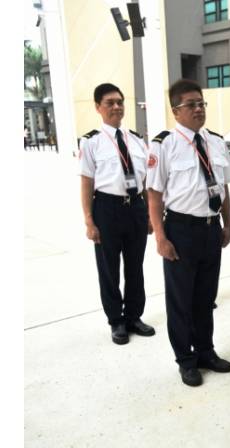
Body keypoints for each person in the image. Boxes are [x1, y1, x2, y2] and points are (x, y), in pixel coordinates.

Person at [146, 79, 230, 386]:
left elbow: (223, 187)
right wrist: (160, 237)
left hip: (211, 229)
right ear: (176, 111)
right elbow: (154, 195)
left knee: (206, 297)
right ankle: (186, 359)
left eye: (201, 103)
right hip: (181, 230)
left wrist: (227, 223)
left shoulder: (216, 142)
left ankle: (206, 351)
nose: (198, 109)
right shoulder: (164, 145)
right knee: (181, 300)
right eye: (191, 105)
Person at [79, 82, 155, 345]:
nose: (116, 107)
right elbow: (86, 182)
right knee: (109, 268)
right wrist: (89, 220)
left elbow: (145, 181)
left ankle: (134, 316)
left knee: (135, 266)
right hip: (107, 208)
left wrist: (149, 215)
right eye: (110, 102)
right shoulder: (91, 142)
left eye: (120, 102)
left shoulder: (136, 140)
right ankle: (116, 320)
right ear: (98, 107)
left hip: (135, 207)